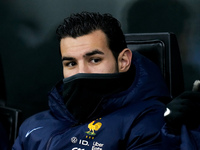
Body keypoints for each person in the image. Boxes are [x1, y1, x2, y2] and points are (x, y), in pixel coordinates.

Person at [12, 12, 200, 149]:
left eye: (95, 60)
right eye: (70, 63)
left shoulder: (145, 122)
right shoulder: (34, 124)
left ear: (124, 61)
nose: (81, 72)